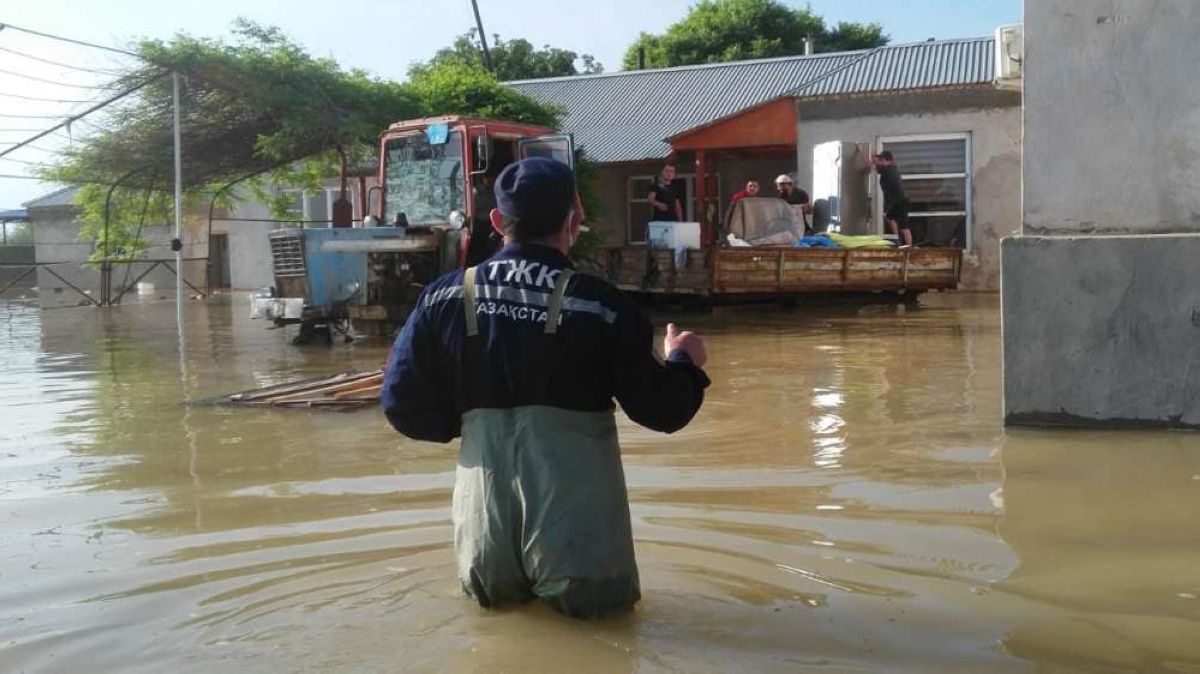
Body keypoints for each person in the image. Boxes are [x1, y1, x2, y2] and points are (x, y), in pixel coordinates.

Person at [382, 157, 710, 618]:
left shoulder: (442, 297)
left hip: (485, 527)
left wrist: (476, 427)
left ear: (498, 221)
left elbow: (401, 405)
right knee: (601, 642)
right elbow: (662, 410)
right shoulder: (599, 306)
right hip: (578, 536)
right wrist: (685, 361)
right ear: (575, 218)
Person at [871, 151, 913, 248]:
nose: (880, 162)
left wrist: (873, 160)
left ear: (889, 161)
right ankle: (897, 239)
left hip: (901, 201)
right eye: (880, 160)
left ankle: (909, 248)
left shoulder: (890, 171)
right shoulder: (888, 169)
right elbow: (877, 167)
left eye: (882, 160)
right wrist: (874, 160)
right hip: (896, 201)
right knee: (889, 217)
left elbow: (875, 167)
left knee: (904, 227)